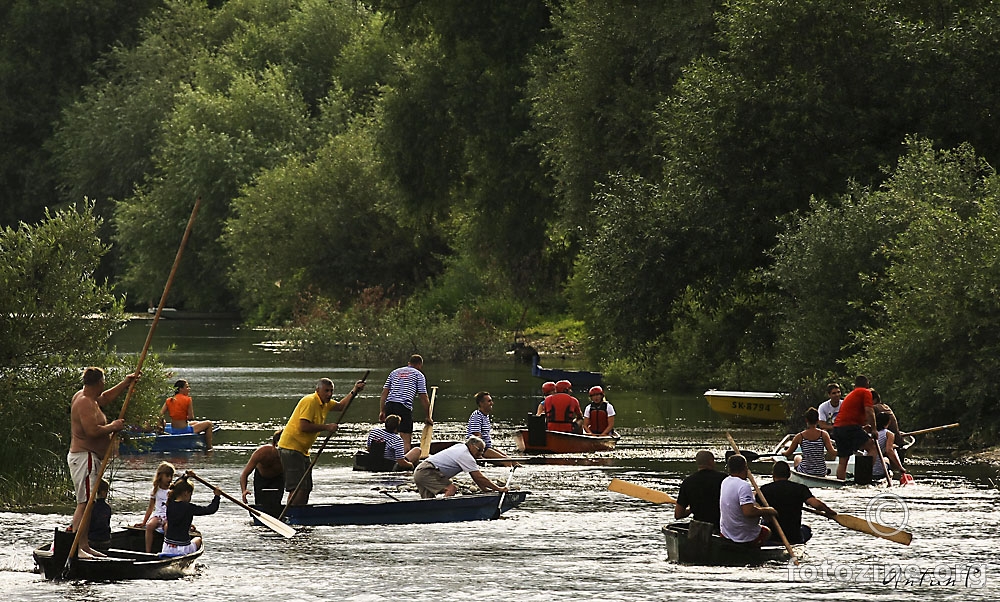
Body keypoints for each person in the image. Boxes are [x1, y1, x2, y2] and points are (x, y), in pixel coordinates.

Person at [67, 366, 138, 557]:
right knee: (86, 503)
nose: (104, 385)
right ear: (98, 382)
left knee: (87, 502)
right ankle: (77, 547)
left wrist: (126, 382)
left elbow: (105, 398)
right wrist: (112, 426)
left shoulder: (91, 399)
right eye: (103, 382)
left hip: (89, 458)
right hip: (84, 457)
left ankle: (84, 545)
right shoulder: (83, 402)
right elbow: (92, 431)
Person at [278, 378, 365, 505]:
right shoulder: (310, 401)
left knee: (306, 487)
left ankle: (301, 514)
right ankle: (291, 515)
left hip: (302, 450)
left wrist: (355, 391)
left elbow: (341, 406)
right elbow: (304, 426)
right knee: (298, 487)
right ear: (318, 390)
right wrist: (327, 427)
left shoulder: (325, 403)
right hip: (290, 448)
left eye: (331, 391)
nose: (329, 394)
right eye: (326, 391)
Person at [759, 461, 836, 544]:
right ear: (789, 475)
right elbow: (815, 504)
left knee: (762, 523)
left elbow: (752, 508)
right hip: (794, 537)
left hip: (771, 537)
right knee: (807, 528)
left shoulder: (763, 490)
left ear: (773, 475)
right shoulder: (800, 489)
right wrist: (829, 511)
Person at [413, 436, 509, 498]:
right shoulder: (465, 455)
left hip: (419, 470)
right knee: (451, 489)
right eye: (479, 450)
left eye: (483, 451)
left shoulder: (460, 446)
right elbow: (478, 477)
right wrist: (498, 489)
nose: (481, 454)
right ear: (471, 445)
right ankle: (444, 511)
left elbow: (476, 478)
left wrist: (485, 490)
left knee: (429, 502)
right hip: (427, 470)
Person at [719, 454, 777, 545]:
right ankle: (755, 549)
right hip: (743, 536)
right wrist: (769, 511)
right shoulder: (743, 485)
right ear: (745, 468)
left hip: (726, 532)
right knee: (767, 531)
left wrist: (757, 506)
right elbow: (748, 512)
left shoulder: (725, 481)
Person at [379, 354, 430, 452]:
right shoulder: (418, 375)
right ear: (420, 365)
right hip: (403, 406)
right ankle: (404, 462)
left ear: (409, 363)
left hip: (390, 405)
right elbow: (423, 397)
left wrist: (382, 411)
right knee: (405, 439)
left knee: (390, 435)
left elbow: (384, 393)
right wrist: (428, 417)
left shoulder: (394, 372)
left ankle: (387, 458)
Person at [160, 474, 221, 557]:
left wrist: (185, 476)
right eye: (190, 494)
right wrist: (217, 496)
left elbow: (175, 485)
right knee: (198, 540)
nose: (190, 497)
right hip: (183, 548)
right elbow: (210, 509)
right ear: (186, 493)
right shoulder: (189, 507)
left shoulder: (169, 503)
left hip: (167, 547)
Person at [832, 375, 879, 480]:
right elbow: (869, 411)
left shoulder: (852, 394)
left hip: (838, 428)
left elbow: (852, 414)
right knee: (872, 447)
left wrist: (863, 427)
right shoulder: (866, 392)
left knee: (843, 460)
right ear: (867, 384)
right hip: (849, 427)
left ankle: (840, 482)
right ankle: (863, 478)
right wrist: (874, 429)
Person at [674, 450, 727, 528]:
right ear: (711, 461)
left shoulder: (688, 482)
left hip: (699, 529)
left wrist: (690, 510)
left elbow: (678, 515)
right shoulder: (724, 479)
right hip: (721, 526)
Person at [159, 379, 214, 450]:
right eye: (187, 387)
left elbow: (160, 415)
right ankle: (209, 447)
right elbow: (191, 417)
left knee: (196, 423)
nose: (189, 389)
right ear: (180, 389)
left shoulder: (169, 400)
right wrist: (183, 417)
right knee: (209, 423)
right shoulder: (188, 399)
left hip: (174, 430)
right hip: (184, 430)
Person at [783, 407, 836, 477]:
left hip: (805, 472)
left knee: (797, 457)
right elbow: (832, 452)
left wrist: (782, 453)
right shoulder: (824, 434)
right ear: (817, 420)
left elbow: (788, 453)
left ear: (806, 420)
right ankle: (824, 471)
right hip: (821, 472)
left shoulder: (800, 436)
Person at [135, 461, 175, 553]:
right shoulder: (155, 490)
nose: (169, 479)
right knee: (149, 526)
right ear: (160, 476)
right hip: (158, 515)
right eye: (167, 476)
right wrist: (144, 522)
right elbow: (150, 507)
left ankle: (166, 551)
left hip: (169, 516)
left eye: (171, 476)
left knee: (167, 528)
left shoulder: (172, 490)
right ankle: (148, 551)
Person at [467, 391, 516, 464]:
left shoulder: (485, 416)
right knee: (507, 462)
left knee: (512, 460)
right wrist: (479, 455)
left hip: (487, 447)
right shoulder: (476, 416)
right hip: (481, 450)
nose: (492, 403)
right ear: (481, 403)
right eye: (489, 401)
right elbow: (476, 437)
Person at [240, 430, 284, 505]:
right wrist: (244, 490)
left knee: (276, 503)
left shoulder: (289, 455)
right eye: (279, 448)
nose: (281, 452)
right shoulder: (261, 453)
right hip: (261, 478)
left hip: (278, 478)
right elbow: (244, 474)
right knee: (260, 502)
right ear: (274, 444)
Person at [871, 410, 907, 481]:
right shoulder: (889, 434)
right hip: (877, 472)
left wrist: (891, 445)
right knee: (886, 459)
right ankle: (892, 472)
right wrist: (900, 467)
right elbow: (889, 451)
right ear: (888, 422)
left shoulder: (871, 433)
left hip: (866, 470)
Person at [88, 479, 113, 554]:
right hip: (105, 541)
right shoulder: (107, 507)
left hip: (92, 540)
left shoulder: (90, 507)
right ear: (103, 493)